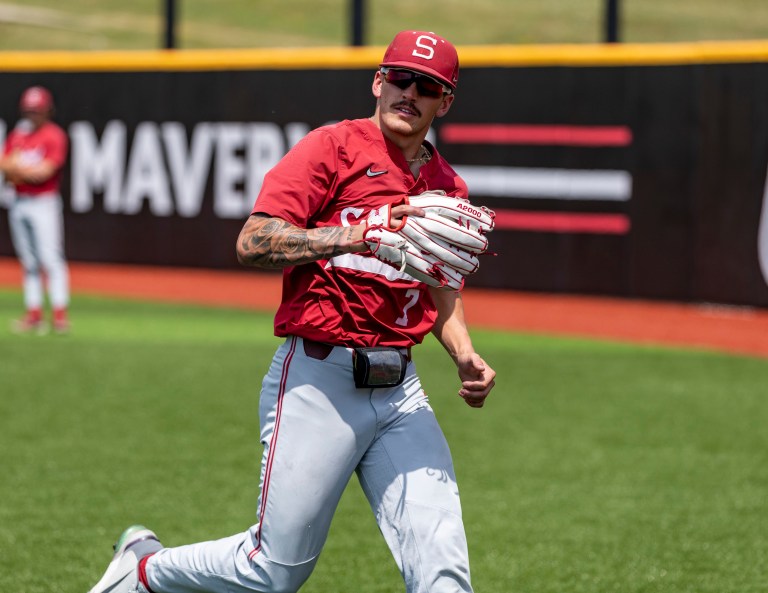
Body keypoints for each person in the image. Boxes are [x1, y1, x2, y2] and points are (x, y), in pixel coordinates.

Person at [87, 30, 496, 593]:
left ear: (444, 102)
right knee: (273, 572)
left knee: (444, 573)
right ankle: (142, 571)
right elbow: (253, 241)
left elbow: (441, 286)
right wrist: (356, 235)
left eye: (428, 86)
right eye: (400, 78)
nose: (411, 92)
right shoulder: (333, 148)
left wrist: (465, 353)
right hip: (319, 379)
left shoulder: (447, 186)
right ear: (378, 82)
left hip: (401, 391)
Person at [0, 85, 70, 334]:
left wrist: (17, 170)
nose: (32, 115)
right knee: (29, 261)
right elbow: (4, 165)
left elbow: (45, 172)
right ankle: (34, 314)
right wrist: (20, 171)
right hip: (19, 201)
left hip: (44, 202)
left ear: (47, 110)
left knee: (51, 258)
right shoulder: (19, 134)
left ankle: (60, 315)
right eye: (29, 110)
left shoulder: (54, 135)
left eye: (37, 110)